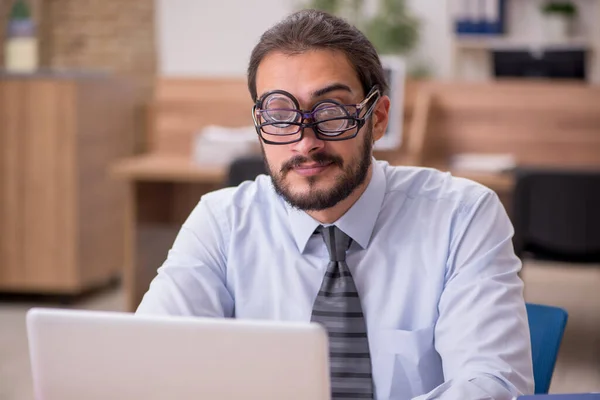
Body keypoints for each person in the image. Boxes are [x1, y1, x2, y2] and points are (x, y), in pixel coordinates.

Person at [136, 9, 534, 400]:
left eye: (332, 112)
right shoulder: (221, 222)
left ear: (377, 118)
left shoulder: (461, 216)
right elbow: (147, 361)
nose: (305, 141)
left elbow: (492, 384)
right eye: (279, 115)